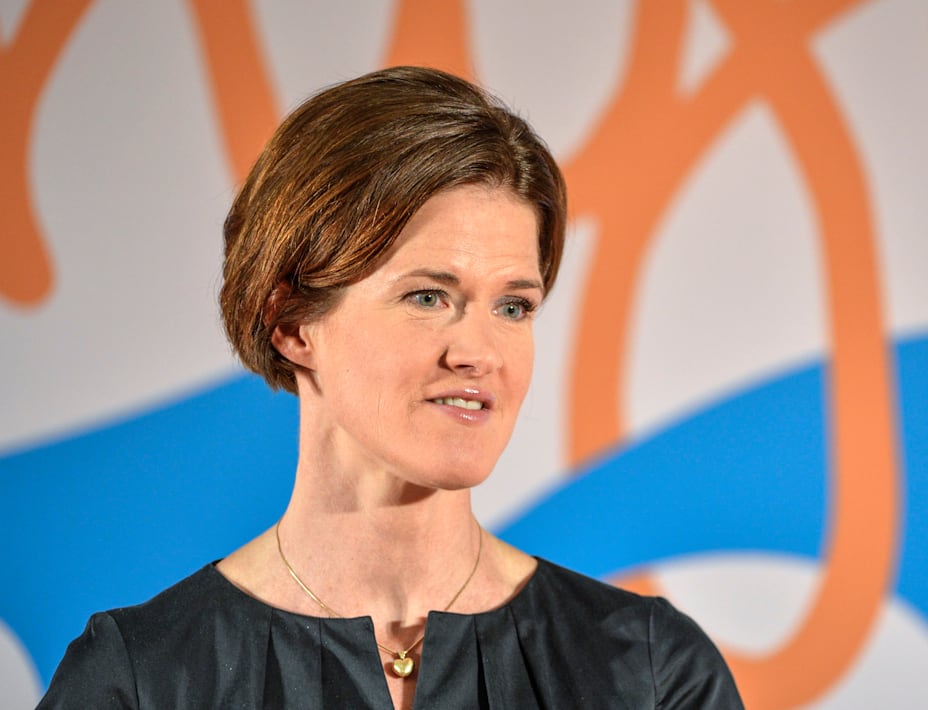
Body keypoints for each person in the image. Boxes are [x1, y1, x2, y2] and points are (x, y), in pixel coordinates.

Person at [38, 66, 743, 709]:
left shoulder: (650, 672)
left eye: (513, 306)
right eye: (428, 297)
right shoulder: (142, 678)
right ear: (292, 323)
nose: (479, 353)